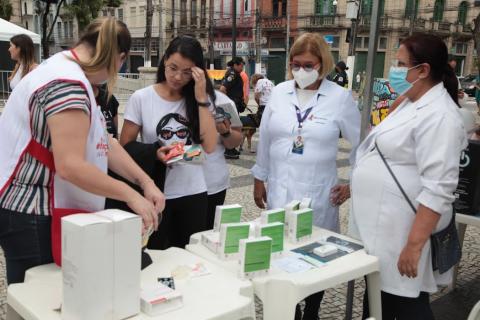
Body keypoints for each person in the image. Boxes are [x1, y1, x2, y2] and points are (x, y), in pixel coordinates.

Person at [0, 17, 165, 284]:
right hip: (34, 212)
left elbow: (103, 141)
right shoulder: (68, 84)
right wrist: (130, 195)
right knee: (42, 298)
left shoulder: (65, 70)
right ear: (120, 58)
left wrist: (145, 182)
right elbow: (70, 165)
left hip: (29, 207)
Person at [350, 34, 467, 320]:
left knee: (405, 302)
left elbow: (438, 188)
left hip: (402, 232)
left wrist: (414, 246)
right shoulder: (412, 101)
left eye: (401, 64)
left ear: (423, 70)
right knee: (379, 297)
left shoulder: (440, 115)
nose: (394, 69)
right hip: (381, 228)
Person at [251, 33, 361, 320]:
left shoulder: (339, 98)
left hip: (318, 195)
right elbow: (266, 138)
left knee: (314, 257)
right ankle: (292, 310)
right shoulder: (279, 92)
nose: (301, 71)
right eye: (295, 64)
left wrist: (352, 184)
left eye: (308, 65)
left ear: (322, 64)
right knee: (280, 253)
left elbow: (362, 145)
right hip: (279, 189)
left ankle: (311, 310)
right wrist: (259, 178)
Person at [120, 36, 217, 249]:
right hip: (155, 194)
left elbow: (209, 147)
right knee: (157, 260)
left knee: (191, 260)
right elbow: (125, 145)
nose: (177, 77)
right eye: (173, 68)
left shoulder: (199, 99)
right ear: (164, 60)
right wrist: (155, 153)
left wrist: (201, 97)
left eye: (186, 72)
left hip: (193, 193)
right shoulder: (142, 98)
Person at [203, 90, 243, 229]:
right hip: (168, 185)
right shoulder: (156, 97)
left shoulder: (222, 102)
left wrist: (226, 132)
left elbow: (235, 140)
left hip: (212, 185)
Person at [239, 74, 274, 153]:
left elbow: (256, 96)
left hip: (264, 106)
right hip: (272, 107)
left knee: (262, 127)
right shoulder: (270, 82)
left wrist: (259, 105)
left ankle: (264, 148)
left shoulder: (259, 82)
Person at [220, 57, 245, 159]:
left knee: (233, 126)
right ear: (235, 65)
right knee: (231, 126)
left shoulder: (234, 73)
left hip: (234, 104)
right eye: (241, 66)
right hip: (231, 105)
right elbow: (222, 89)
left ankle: (231, 148)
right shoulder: (232, 74)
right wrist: (227, 103)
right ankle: (229, 150)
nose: (242, 68)